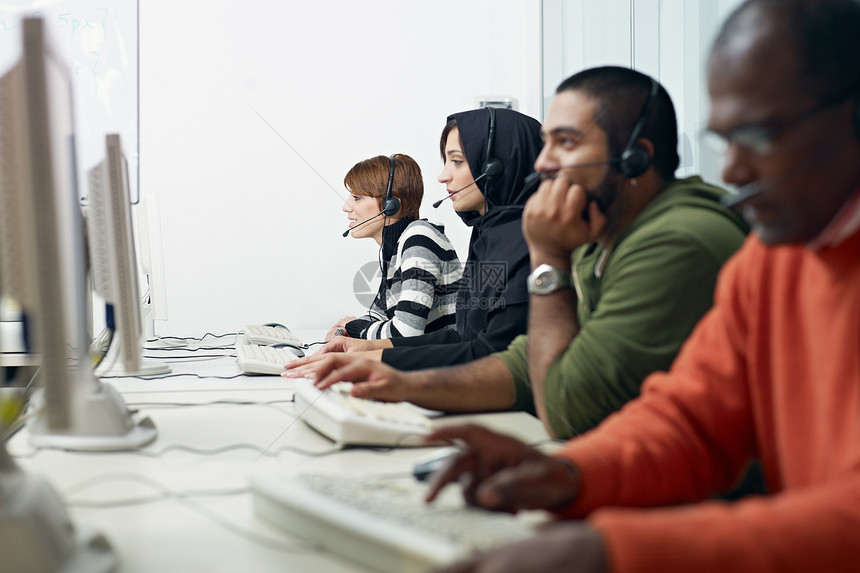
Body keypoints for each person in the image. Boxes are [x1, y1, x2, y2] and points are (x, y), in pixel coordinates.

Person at [420, 1, 860, 572]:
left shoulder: (684, 239)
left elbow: (562, 398)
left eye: (759, 132)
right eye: (726, 139)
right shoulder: (773, 259)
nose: (732, 172)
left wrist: (616, 549)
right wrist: (573, 474)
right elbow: (690, 423)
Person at [287, 67, 748, 440]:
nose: (544, 163)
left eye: (566, 143)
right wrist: (387, 368)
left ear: (635, 158)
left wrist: (549, 256)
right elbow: (509, 356)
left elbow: (563, 402)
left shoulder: (668, 241)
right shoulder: (575, 241)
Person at [303, 108, 544, 367]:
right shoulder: (486, 234)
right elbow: (463, 338)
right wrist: (364, 347)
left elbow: (485, 353)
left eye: (457, 161)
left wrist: (366, 351)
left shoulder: (424, 236)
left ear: (494, 168)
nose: (442, 176)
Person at [327, 154, 462, 340]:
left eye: (357, 197)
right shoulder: (395, 250)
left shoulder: (419, 237)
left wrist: (354, 327)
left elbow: (405, 332)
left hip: (447, 364)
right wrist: (346, 331)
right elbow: (380, 314)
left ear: (391, 205)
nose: (346, 207)